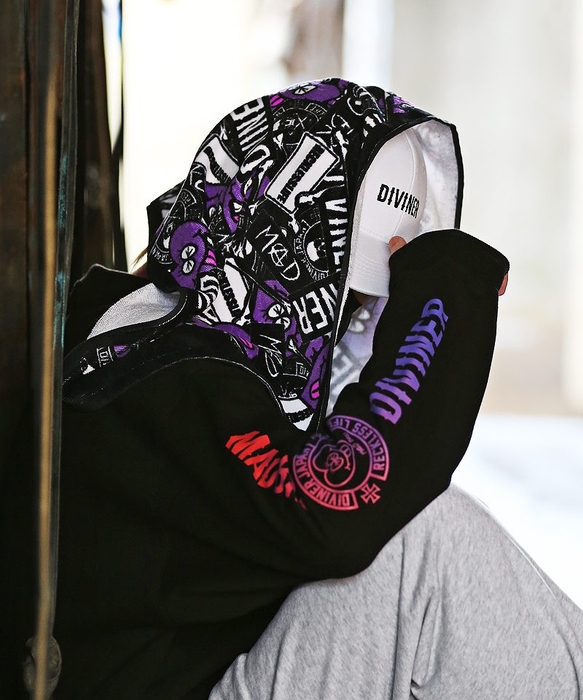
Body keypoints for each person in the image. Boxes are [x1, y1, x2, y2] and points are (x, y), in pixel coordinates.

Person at [1, 78, 514, 698]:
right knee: (414, 545)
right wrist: (445, 296)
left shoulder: (148, 332)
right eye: (346, 301)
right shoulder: (172, 381)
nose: (350, 328)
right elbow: (340, 506)